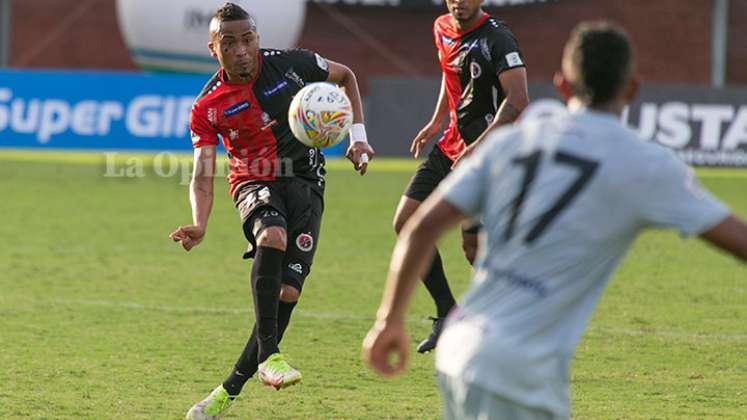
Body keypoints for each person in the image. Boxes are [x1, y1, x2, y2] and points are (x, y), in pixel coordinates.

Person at [363, 21, 747, 419]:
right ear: (632, 89)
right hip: (521, 374)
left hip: (461, 349)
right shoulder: (646, 164)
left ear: (563, 85)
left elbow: (422, 227)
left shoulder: (516, 141)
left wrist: (389, 321)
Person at [169, 3, 375, 419]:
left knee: (288, 293)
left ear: (257, 39)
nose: (242, 50)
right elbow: (203, 176)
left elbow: (346, 77)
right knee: (272, 236)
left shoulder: (292, 67)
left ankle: (226, 392)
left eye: (248, 39)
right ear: (214, 49)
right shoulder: (207, 106)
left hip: (308, 183)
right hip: (254, 180)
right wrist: (200, 223)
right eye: (230, 43)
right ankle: (270, 355)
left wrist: (357, 138)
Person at [394, 0, 529, 353]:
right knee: (407, 222)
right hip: (450, 146)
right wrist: (438, 120)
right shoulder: (441, 27)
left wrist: (479, 146)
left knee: (475, 249)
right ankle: (446, 313)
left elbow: (518, 99)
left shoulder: (498, 39)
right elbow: (449, 73)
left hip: (486, 157)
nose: (460, 2)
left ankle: (501, 326)